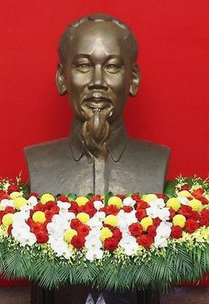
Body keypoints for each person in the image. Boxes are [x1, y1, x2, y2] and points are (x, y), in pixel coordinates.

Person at [24, 13, 170, 197]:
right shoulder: (39, 161)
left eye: (112, 66)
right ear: (62, 78)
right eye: (83, 66)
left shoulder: (156, 161)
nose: (97, 81)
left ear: (133, 79)